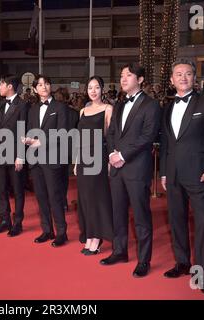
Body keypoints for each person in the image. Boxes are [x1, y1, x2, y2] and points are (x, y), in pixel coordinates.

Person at [159, 59, 204, 297]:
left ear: (194, 78)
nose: (183, 77)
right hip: (173, 175)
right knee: (176, 222)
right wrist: (164, 172)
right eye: (178, 74)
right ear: (172, 80)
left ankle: (201, 275)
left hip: (199, 175)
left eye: (188, 74)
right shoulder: (167, 107)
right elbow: (166, 142)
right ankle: (182, 262)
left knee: (202, 224)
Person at [101, 63, 161, 279]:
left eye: (128, 75)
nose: (123, 78)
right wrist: (111, 155)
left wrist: (122, 156)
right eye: (121, 75)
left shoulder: (151, 105)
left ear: (141, 79)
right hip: (117, 169)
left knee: (141, 216)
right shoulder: (118, 104)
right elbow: (111, 134)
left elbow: (147, 137)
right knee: (118, 213)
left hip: (136, 168)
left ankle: (144, 260)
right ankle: (119, 251)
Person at [23, 75, 69, 247]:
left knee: (55, 196)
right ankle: (47, 230)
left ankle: (61, 233)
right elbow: (31, 131)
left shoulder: (60, 107)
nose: (44, 87)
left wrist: (41, 141)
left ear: (51, 87)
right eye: (40, 85)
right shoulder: (32, 109)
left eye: (47, 84)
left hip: (52, 159)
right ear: (35, 89)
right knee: (41, 197)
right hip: (35, 160)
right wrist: (27, 140)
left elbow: (62, 133)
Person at [74, 76, 114, 255]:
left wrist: (109, 160)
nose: (93, 91)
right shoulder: (82, 111)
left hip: (98, 157)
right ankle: (89, 234)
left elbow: (110, 137)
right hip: (82, 158)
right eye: (90, 87)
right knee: (84, 198)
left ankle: (97, 237)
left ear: (102, 89)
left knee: (97, 197)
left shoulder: (108, 109)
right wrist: (76, 161)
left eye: (97, 87)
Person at [0, 75, 29, 236]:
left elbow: (23, 131)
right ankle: (4, 220)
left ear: (10, 86)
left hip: (15, 155)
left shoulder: (23, 105)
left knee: (18, 189)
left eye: (1, 84)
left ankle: (17, 222)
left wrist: (20, 156)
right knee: (0, 189)